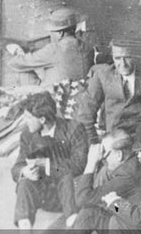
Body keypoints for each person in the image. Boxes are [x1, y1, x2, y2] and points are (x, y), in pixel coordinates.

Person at [11, 91, 92, 230]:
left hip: (69, 195)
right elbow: (17, 167)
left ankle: (72, 225)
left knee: (66, 175)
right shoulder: (27, 135)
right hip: (43, 196)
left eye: (29, 118)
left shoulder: (74, 129)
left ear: (42, 120)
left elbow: (79, 164)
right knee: (24, 182)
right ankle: (24, 227)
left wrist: (47, 166)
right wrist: (25, 171)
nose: (25, 122)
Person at [65, 128, 141, 232]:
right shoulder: (132, 164)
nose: (101, 158)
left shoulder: (127, 175)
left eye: (105, 152)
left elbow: (82, 198)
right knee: (88, 212)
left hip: (131, 227)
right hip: (127, 215)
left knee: (88, 214)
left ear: (119, 155)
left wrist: (91, 162)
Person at [6, 7, 91, 87]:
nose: (50, 34)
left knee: (22, 69)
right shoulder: (88, 48)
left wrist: (19, 53)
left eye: (51, 31)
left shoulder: (54, 49)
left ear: (60, 33)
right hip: (79, 96)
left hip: (54, 97)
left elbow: (15, 63)